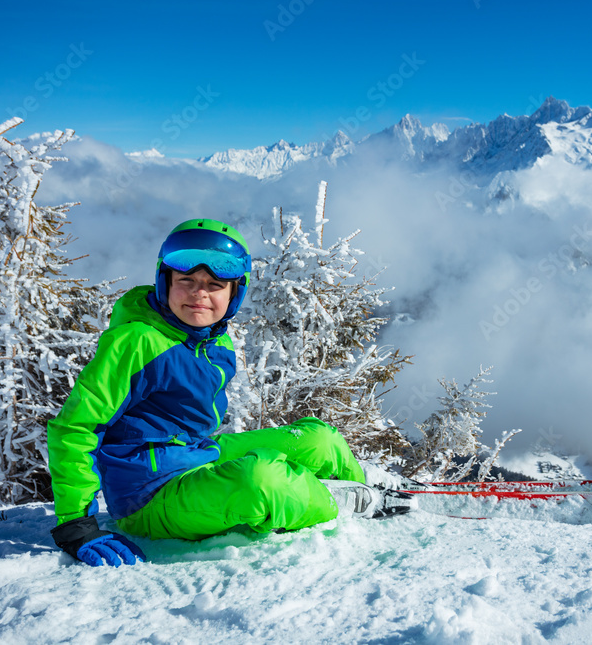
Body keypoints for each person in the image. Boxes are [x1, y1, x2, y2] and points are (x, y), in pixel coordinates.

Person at [47, 218, 409, 568]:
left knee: (319, 440)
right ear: (164, 282)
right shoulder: (136, 342)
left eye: (214, 285)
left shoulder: (211, 340)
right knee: (262, 481)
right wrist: (77, 527)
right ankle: (345, 501)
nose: (199, 294)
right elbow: (75, 428)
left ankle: (363, 478)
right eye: (186, 280)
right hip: (149, 496)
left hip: (195, 456)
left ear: (234, 293)